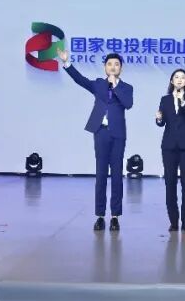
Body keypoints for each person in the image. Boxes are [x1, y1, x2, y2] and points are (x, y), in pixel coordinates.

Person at [57, 49, 133, 231]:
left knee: (117, 175)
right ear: (105, 67)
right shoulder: (99, 84)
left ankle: (115, 216)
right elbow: (80, 80)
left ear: (121, 68)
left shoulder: (126, 88)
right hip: (101, 132)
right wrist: (67, 63)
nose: (113, 67)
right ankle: (100, 215)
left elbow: (128, 104)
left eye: (116, 64)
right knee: (101, 174)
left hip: (118, 135)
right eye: (109, 64)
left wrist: (115, 86)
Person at [155, 69, 185, 233]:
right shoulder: (165, 99)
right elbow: (162, 122)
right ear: (171, 81)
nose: (179, 80)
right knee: (170, 183)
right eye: (176, 77)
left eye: (183, 78)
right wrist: (159, 119)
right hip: (169, 146)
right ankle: (173, 222)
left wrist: (183, 102)